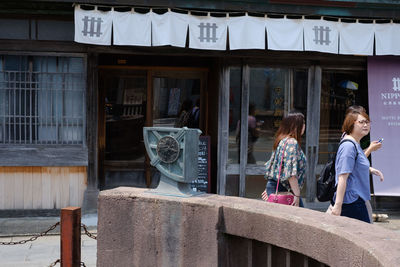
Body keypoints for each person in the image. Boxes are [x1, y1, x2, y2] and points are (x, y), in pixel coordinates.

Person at [331, 110, 384, 223]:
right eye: (361, 122)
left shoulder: (355, 143)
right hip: (352, 201)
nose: (365, 125)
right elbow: (342, 177)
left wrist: (370, 169)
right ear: (351, 124)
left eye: (367, 122)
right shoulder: (349, 146)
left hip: (355, 199)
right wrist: (337, 206)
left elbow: (354, 166)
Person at [262, 111, 306, 207]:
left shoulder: (282, 140)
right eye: (303, 123)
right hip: (285, 191)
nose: (304, 126)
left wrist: (270, 187)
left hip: (278, 189)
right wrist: (297, 196)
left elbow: (274, 166)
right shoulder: (291, 143)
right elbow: (291, 174)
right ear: (296, 126)